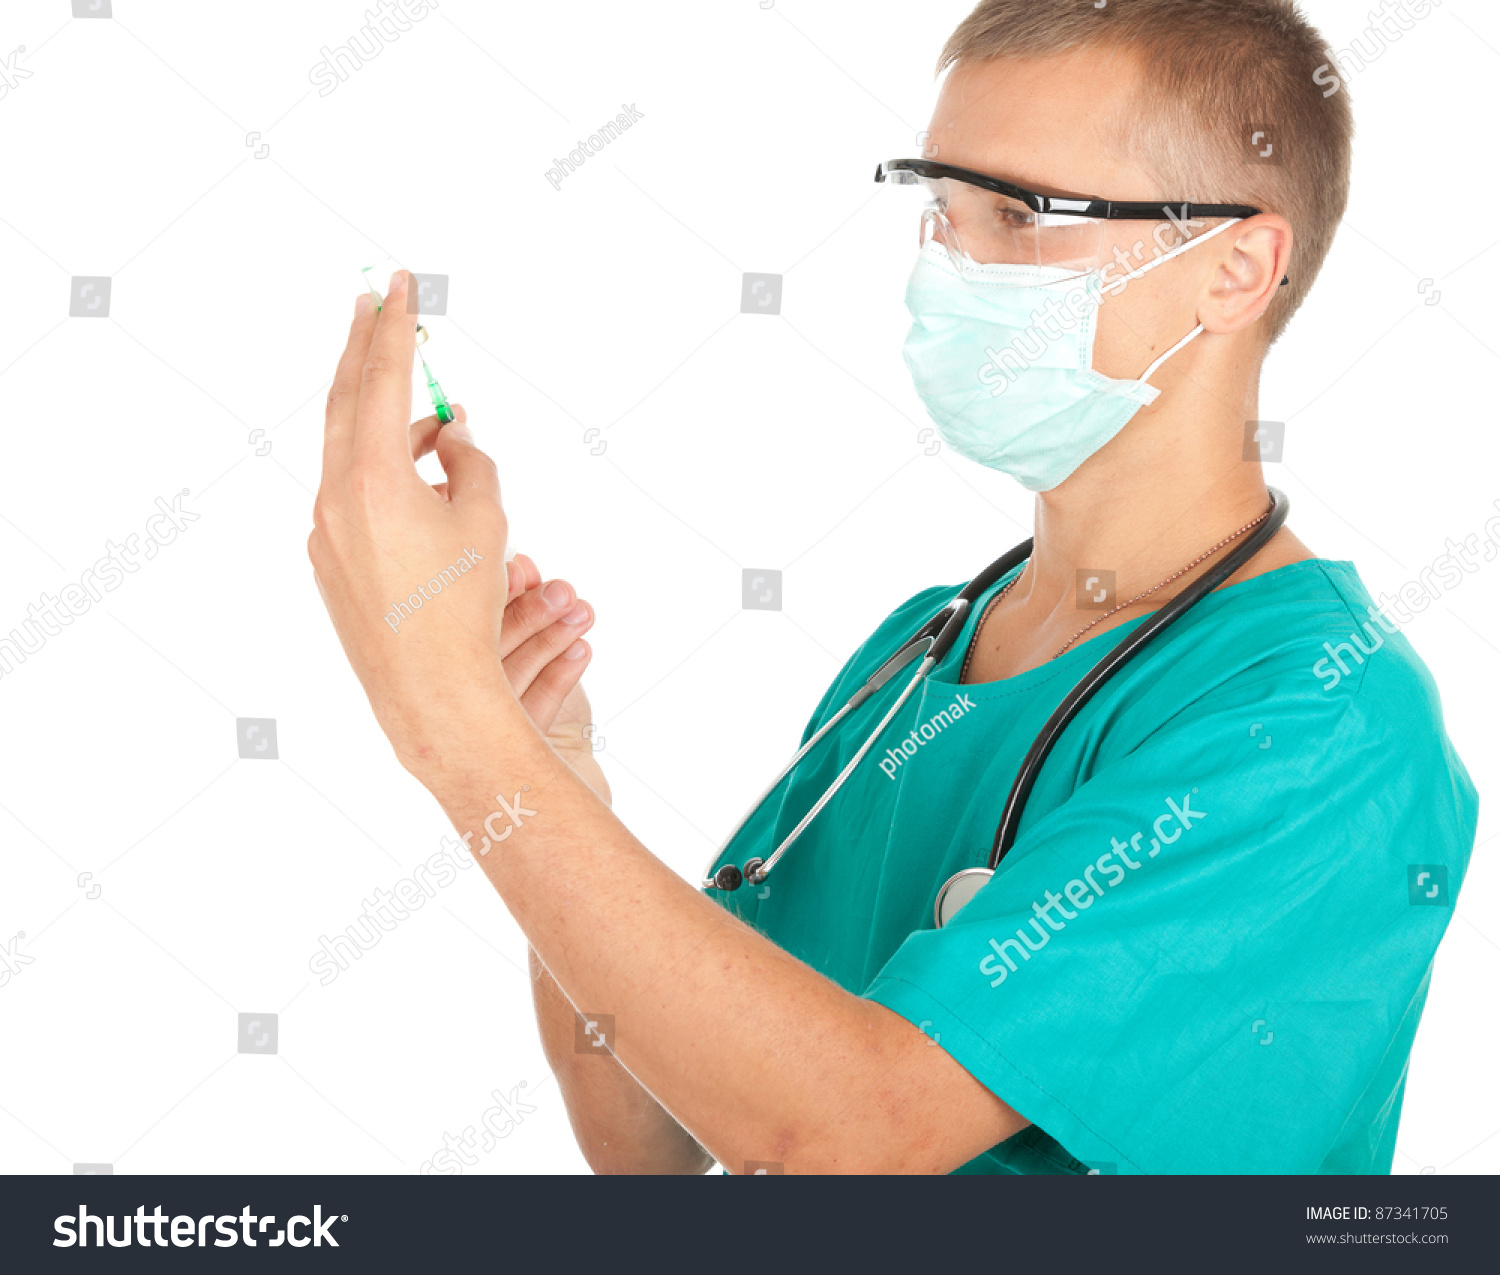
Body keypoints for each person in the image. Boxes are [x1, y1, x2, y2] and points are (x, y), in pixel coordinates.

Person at [309, 0, 1476, 1174]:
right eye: (942, 210)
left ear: (1234, 269)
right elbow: (651, 1138)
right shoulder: (925, 648)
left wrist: (451, 725)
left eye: (1023, 216)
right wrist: (549, 775)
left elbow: (847, 1137)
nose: (952, 270)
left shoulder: (1323, 720)